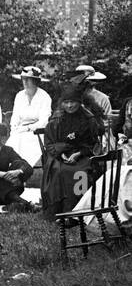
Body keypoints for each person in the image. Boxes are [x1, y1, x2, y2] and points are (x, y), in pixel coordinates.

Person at [41, 87, 102, 217]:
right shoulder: (56, 119)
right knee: (58, 170)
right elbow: (49, 142)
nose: (69, 105)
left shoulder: (88, 119)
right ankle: (58, 210)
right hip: (58, 154)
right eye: (66, 102)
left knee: (80, 172)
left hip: (83, 154)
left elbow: (93, 143)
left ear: (79, 102)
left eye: (73, 102)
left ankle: (78, 209)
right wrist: (61, 153)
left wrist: (79, 153)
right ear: (61, 103)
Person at [6, 66, 51, 167]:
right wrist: (14, 129)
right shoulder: (19, 96)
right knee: (11, 147)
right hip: (19, 131)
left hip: (37, 133)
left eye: (28, 79)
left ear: (35, 81)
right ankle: (15, 174)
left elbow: (44, 121)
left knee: (27, 148)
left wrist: (27, 128)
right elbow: (15, 117)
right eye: (23, 79)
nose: (25, 82)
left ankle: (23, 171)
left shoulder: (44, 97)